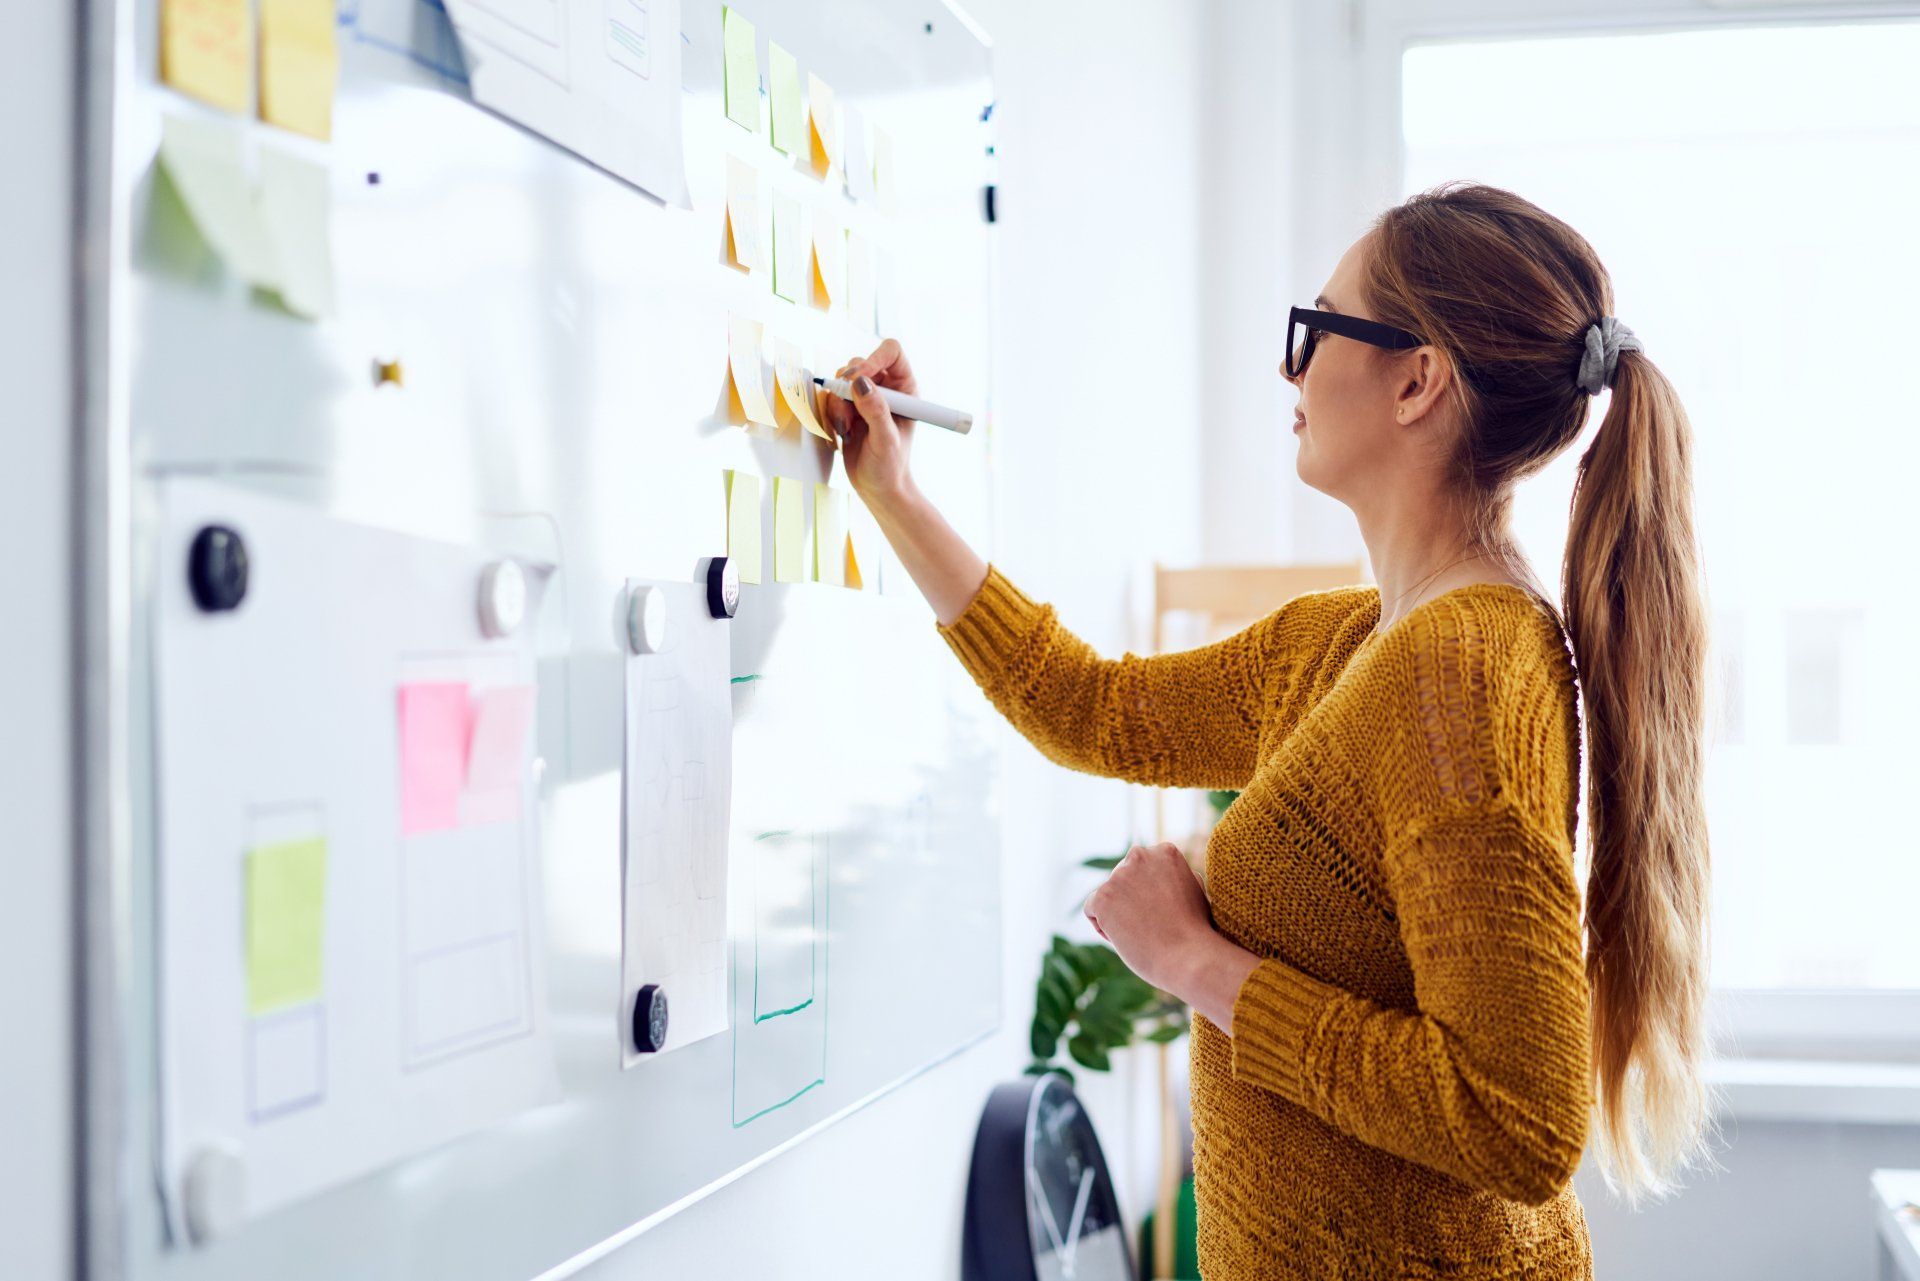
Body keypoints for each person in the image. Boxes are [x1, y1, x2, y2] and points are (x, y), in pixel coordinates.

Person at [822, 180, 1714, 1279]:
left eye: (1316, 330)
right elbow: (1090, 706)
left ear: (1417, 380)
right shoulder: (1353, 644)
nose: (1290, 368)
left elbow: (1517, 1120)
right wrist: (895, 494)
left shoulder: (1460, 674)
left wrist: (1196, 962)